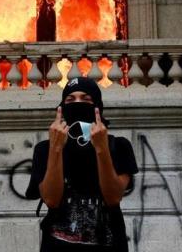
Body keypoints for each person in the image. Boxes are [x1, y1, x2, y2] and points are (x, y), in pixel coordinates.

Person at [25, 77, 138, 252]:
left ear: (97, 107)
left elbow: (113, 197)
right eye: (70, 99)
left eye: (86, 99)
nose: (77, 104)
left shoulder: (119, 146)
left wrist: (102, 149)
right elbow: (51, 200)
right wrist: (56, 148)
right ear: (61, 108)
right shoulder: (44, 149)